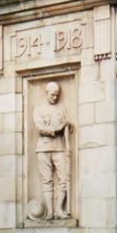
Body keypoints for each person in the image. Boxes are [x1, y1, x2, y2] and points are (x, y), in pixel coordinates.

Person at [32, 81, 71, 220]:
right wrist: (58, 129)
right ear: (47, 93)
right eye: (52, 95)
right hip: (43, 147)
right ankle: (50, 212)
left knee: (65, 179)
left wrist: (68, 144)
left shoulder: (62, 108)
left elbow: (66, 127)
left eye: (57, 95)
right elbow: (40, 128)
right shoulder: (38, 109)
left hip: (60, 147)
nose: (55, 98)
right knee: (46, 180)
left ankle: (59, 209)